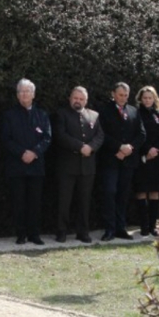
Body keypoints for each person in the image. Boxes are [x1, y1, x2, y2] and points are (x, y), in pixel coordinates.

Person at [2, 78, 51, 246]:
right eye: (21, 91)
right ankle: (20, 234)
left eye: (27, 91)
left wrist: (34, 152)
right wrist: (22, 153)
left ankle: (34, 234)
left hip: (36, 166)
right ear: (17, 95)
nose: (24, 94)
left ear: (33, 94)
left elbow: (47, 138)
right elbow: (6, 139)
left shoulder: (42, 115)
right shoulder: (9, 115)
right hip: (16, 165)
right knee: (18, 202)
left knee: (35, 202)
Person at [53, 86, 105, 243]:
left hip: (87, 166)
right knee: (64, 201)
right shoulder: (61, 114)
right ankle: (62, 231)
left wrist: (91, 147)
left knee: (84, 201)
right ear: (70, 98)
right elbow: (60, 135)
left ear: (86, 100)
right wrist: (80, 147)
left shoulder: (94, 115)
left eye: (81, 99)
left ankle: (83, 232)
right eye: (75, 98)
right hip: (67, 166)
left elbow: (100, 135)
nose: (78, 101)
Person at [97, 82, 146, 240]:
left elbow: (141, 134)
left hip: (128, 161)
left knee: (123, 195)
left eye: (126, 95)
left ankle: (121, 228)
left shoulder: (133, 111)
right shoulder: (104, 111)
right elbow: (102, 134)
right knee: (110, 192)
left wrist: (130, 148)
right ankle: (109, 229)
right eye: (120, 95)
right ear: (113, 94)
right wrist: (119, 147)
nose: (123, 98)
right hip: (110, 160)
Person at [132, 85, 159, 238]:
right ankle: (144, 226)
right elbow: (137, 134)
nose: (147, 100)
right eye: (145, 98)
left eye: (150, 98)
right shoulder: (136, 114)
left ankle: (153, 226)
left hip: (157, 159)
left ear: (154, 99)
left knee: (154, 192)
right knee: (141, 191)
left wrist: (155, 150)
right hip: (143, 158)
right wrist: (147, 150)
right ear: (140, 99)